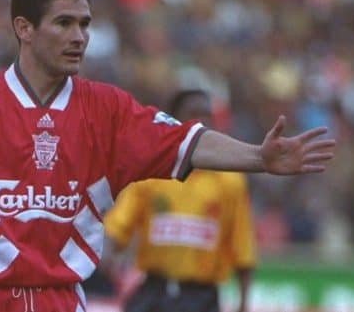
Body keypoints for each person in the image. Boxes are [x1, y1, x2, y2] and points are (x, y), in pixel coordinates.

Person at [0, 0, 335, 312]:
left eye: (85, 24)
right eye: (64, 23)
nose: (79, 36)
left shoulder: (109, 110)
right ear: (24, 29)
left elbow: (187, 141)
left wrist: (259, 157)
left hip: (63, 297)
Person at [102, 89, 256, 312]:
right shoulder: (152, 174)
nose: (202, 122)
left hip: (201, 296)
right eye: (194, 114)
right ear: (175, 122)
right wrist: (109, 259)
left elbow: (242, 247)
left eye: (207, 115)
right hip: (155, 291)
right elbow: (117, 227)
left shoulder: (230, 181)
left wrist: (244, 303)